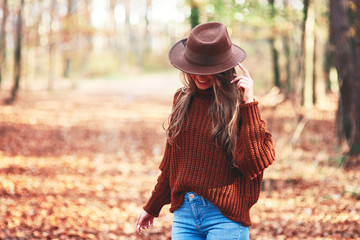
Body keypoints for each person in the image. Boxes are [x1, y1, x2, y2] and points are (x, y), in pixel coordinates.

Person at [136, 22, 275, 240]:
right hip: (184, 216)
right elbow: (173, 164)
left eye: (207, 70)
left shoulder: (240, 104)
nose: (200, 76)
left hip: (225, 217)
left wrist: (249, 103)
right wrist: (152, 206)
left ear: (223, 68)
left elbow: (253, 163)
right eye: (194, 69)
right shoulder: (182, 100)